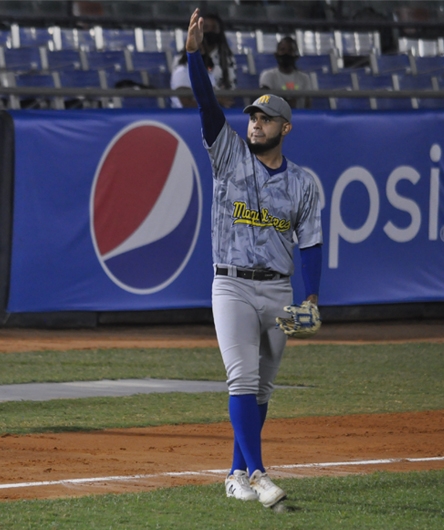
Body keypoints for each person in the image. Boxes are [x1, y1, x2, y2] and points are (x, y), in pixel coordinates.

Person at [185, 9, 323, 508]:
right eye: (252, 116)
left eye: (264, 118)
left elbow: (311, 243)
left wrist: (311, 296)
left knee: (262, 390)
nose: (255, 122)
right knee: (240, 377)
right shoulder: (228, 154)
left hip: (279, 291)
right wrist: (194, 55)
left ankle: (235, 473)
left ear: (285, 128)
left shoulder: (302, 182)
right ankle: (260, 473)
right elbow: (205, 103)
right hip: (233, 286)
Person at [170, 11, 237, 108]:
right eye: (205, 28)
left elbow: (229, 91)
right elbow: (186, 103)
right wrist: (217, 101)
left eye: (214, 28)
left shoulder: (227, 59)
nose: (209, 31)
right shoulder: (182, 67)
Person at [258, 36, 312, 109]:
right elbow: (264, 100)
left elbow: (307, 104)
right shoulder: (268, 75)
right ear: (276, 54)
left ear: (296, 56)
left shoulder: (304, 78)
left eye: (290, 50)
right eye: (282, 50)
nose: (286, 54)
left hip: (299, 117)